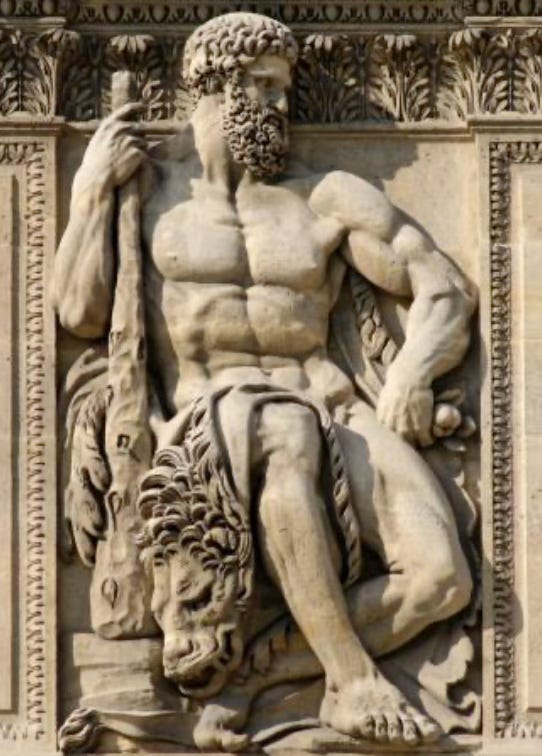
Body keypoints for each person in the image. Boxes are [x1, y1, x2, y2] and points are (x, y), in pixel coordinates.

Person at [53, 12, 477, 748]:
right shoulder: (151, 197)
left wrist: (412, 371)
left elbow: (443, 288)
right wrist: (90, 189)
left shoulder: (325, 198)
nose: (281, 106)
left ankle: (255, 678)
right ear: (215, 86)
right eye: (265, 87)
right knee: (283, 430)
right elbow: (78, 312)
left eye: (284, 89)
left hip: (330, 408)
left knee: (444, 576)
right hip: (204, 426)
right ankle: (350, 679)